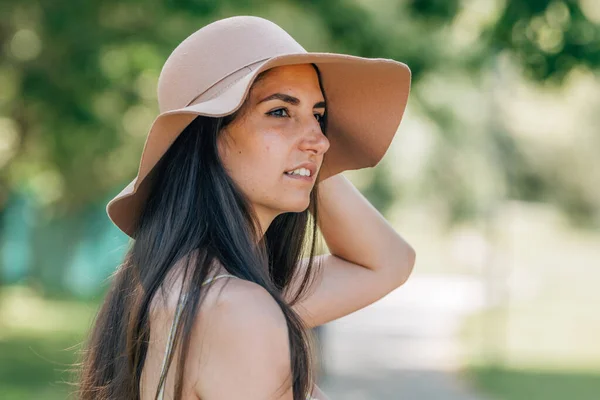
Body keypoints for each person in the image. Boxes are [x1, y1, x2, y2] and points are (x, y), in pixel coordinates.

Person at [77, 15, 415, 400]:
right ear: (206, 137)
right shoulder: (237, 310)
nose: (321, 141)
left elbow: (388, 262)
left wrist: (303, 158)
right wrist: (299, 157)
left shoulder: (178, 287)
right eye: (279, 111)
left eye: (318, 116)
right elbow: (386, 264)